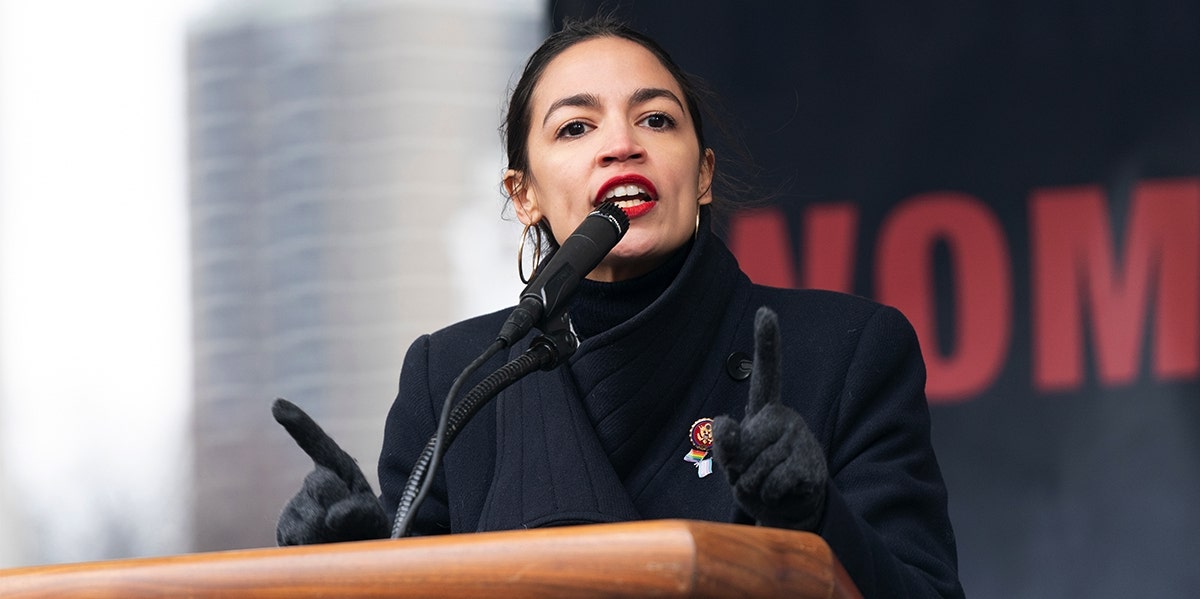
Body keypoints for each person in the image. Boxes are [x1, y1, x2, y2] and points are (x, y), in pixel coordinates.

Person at [274, 15, 964, 599]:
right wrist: (351, 570)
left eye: (656, 119)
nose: (621, 144)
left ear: (701, 176)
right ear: (524, 194)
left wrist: (818, 519)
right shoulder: (452, 378)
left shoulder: (846, 349)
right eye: (576, 127)